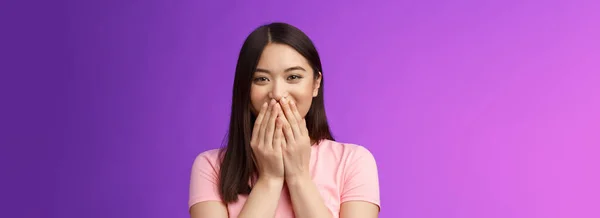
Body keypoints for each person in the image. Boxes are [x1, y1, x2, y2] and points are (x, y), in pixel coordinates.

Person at [188, 22, 381, 218]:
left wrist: (299, 176)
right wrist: (269, 179)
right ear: (245, 89)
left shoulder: (353, 162)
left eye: (293, 77)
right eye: (261, 79)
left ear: (316, 84)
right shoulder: (211, 167)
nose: (278, 94)